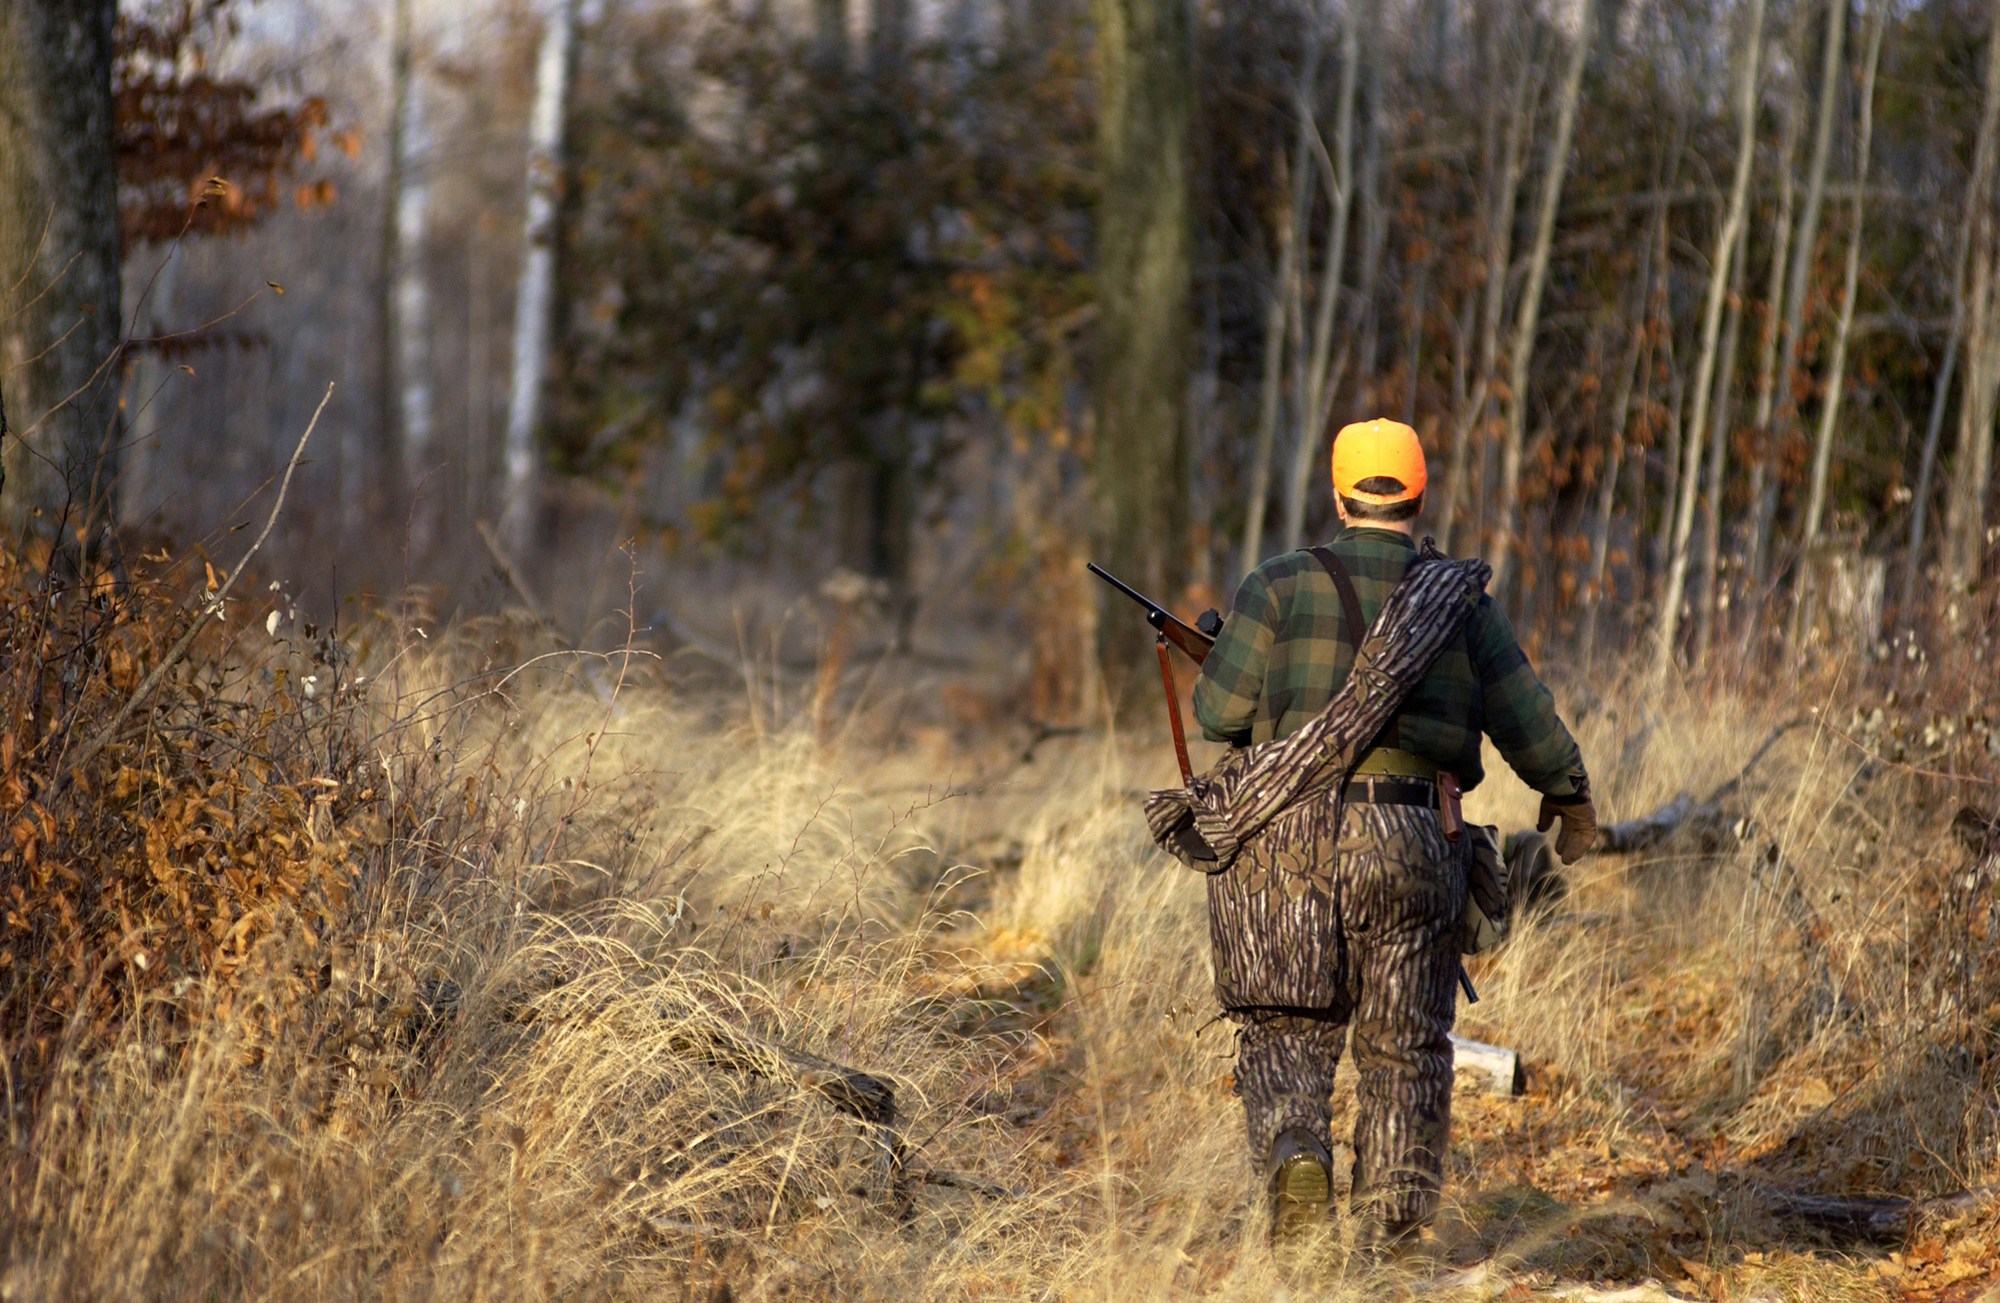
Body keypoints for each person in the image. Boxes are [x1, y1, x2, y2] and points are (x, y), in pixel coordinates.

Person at [1190, 417, 1595, 1257]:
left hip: (1291, 848)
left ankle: (1296, 1151)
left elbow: (1218, 715)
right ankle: (1393, 1238)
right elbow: (1526, 715)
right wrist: (1569, 792)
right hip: (1415, 835)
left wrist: (1232, 660)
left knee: (1284, 1028)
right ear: (1419, 495)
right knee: (1405, 1046)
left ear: (1337, 494)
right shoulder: (1460, 602)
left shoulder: (1275, 585)